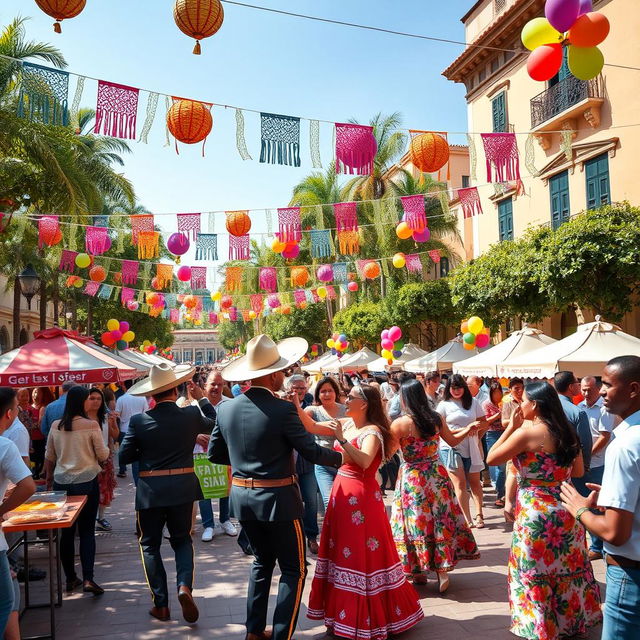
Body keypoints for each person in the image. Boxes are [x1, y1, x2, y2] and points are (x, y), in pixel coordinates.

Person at [208, 335, 343, 640]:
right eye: (281, 370)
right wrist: (343, 457)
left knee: (261, 562)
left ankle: (254, 631)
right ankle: (281, 634)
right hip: (278, 498)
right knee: (294, 570)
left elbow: (216, 454)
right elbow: (310, 450)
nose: (285, 374)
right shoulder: (282, 411)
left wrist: (246, 459)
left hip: (242, 498)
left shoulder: (226, 409)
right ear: (269, 374)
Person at [307, 383, 423, 639]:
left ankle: (367, 619)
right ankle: (341, 617)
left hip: (360, 500)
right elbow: (312, 426)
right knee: (343, 552)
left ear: (365, 403)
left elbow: (364, 461)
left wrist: (340, 439)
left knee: (360, 554)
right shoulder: (348, 424)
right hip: (343, 494)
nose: (345, 400)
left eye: (350, 397)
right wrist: (293, 403)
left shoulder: (372, 432)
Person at [487, 381, 602, 640]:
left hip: (535, 512)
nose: (520, 405)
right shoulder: (567, 431)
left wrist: (511, 429)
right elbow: (580, 472)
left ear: (535, 405)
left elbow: (491, 458)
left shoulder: (527, 433)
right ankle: (569, 624)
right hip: (566, 508)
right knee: (567, 568)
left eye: (523, 401)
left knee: (534, 570)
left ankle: (542, 627)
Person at [119, 363, 217, 624]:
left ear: (152, 395)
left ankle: (161, 605)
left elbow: (125, 456)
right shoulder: (190, 416)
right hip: (183, 486)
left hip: (151, 490)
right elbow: (214, 422)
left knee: (149, 545)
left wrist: (147, 452)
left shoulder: (140, 422)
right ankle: (184, 586)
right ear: (176, 390)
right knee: (182, 540)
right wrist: (201, 398)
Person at [560, 356, 640, 640]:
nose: (601, 390)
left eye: (607, 384)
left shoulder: (626, 444)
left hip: (630, 577)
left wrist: (580, 509)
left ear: (633, 389)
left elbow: (616, 534)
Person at [390, 379, 479, 592]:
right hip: (436, 474)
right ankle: (441, 569)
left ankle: (418, 570)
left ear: (405, 398)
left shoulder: (400, 424)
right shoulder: (435, 418)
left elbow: (388, 452)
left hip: (413, 477)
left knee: (415, 522)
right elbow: (452, 441)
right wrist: (467, 429)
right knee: (440, 518)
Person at [44, 386, 110, 595]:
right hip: (86, 480)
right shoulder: (91, 425)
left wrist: (48, 477)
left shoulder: (56, 425)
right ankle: (89, 577)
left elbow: (49, 456)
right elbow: (103, 454)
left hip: (61, 482)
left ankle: (70, 577)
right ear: (82, 401)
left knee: (67, 533)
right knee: (87, 530)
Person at [0, 388, 36, 637]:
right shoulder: (5, 445)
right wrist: (1, 510)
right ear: (9, 413)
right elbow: (27, 486)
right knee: (6, 601)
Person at [573, 375, 617, 560]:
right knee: (584, 503)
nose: (585, 393)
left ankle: (598, 547)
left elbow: (604, 436)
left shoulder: (604, 408)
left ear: (598, 389)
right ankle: (592, 544)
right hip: (584, 463)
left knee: (597, 505)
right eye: (583, 389)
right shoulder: (579, 407)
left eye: (589, 389)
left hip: (598, 464)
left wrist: (587, 457)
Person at [437, 374, 487, 528]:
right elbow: (440, 429)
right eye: (453, 387)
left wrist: (477, 435)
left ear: (464, 388)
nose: (456, 390)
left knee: (475, 482)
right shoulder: (443, 405)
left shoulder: (473, 402)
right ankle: (466, 518)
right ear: (448, 388)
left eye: (459, 387)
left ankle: (479, 514)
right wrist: (465, 430)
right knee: (460, 483)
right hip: (450, 448)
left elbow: (484, 423)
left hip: (471, 446)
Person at [293, 375, 347, 511]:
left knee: (346, 502)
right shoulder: (312, 410)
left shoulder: (346, 410)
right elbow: (298, 422)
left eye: (330, 390)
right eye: (323, 391)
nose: (327, 394)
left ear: (336, 392)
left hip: (345, 462)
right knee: (330, 503)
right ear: (317, 394)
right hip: (323, 464)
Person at [197, 370, 236, 542]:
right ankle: (208, 524)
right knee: (204, 490)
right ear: (204, 386)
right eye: (212, 384)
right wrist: (195, 436)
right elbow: (184, 428)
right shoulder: (194, 406)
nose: (216, 388)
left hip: (224, 453)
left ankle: (225, 520)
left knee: (224, 487)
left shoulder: (231, 404)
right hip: (199, 454)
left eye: (220, 384)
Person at [287, 375, 319, 554]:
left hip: (307, 463)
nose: (299, 391)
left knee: (311, 501)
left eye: (302, 388)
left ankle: (312, 537)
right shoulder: (283, 407)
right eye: (296, 388)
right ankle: (294, 538)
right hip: (287, 464)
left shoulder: (311, 408)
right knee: (292, 502)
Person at [85, 388, 119, 532]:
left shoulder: (105, 417)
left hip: (104, 458)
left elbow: (115, 435)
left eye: (98, 399)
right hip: (87, 458)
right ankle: (89, 519)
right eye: (92, 398)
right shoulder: (83, 418)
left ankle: (101, 517)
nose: (96, 401)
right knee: (90, 489)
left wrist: (113, 423)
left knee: (104, 489)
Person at [553, 371, 592, 473]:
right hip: (572, 466)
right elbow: (585, 443)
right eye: (577, 383)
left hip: (549, 466)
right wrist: (585, 465)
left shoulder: (545, 407)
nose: (579, 385)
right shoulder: (578, 413)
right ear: (571, 387)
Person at [115, 379, 148, 479]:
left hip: (124, 429)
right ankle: (137, 481)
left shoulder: (121, 399)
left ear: (124, 386)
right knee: (136, 458)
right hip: (139, 429)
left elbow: (117, 414)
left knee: (123, 451)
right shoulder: (142, 398)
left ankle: (122, 470)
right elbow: (145, 412)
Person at [482, 382, 506, 508]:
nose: (498, 395)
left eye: (499, 392)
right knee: (498, 464)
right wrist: (498, 414)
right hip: (492, 434)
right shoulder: (487, 404)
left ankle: (501, 493)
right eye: (495, 392)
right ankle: (500, 492)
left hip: (505, 433)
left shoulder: (505, 402)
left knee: (503, 466)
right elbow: (486, 421)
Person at [16, 389, 41, 477]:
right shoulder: (18, 410)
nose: (25, 398)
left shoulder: (28, 408)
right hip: (20, 438)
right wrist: (38, 424)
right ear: (17, 398)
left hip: (28, 438)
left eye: (27, 395)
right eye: (22, 396)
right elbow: (26, 425)